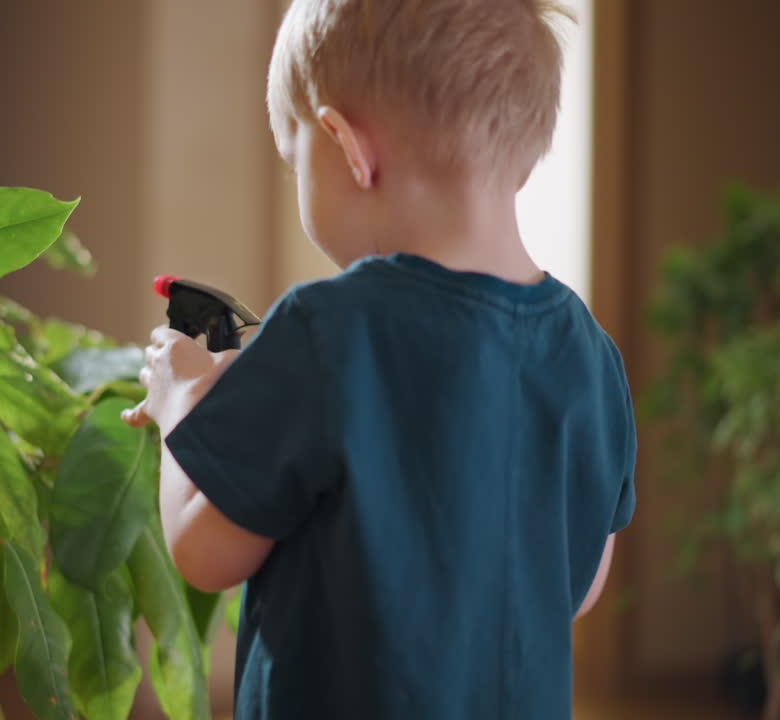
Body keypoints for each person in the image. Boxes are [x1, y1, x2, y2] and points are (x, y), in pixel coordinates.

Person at [121, 0, 635, 717]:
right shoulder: (590, 357)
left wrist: (181, 403)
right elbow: (578, 588)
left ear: (346, 146)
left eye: (295, 157)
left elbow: (205, 552)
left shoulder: (328, 329)